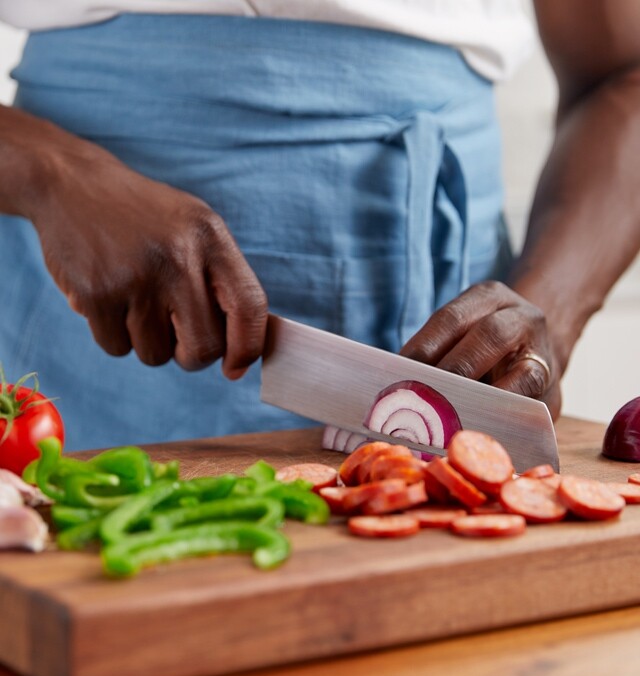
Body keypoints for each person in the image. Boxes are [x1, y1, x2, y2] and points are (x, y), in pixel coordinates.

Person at [0, 1, 638, 451]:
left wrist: (550, 302)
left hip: (446, 324)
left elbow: (624, 75)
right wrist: (52, 174)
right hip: (81, 321)